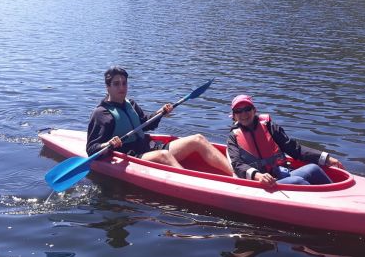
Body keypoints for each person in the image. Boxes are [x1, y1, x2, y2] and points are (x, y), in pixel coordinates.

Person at [86, 66, 233, 175]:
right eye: (116, 84)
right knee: (164, 155)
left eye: (124, 83)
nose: (122, 87)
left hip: (148, 146)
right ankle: (196, 184)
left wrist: (160, 113)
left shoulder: (130, 103)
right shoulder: (101, 114)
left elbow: (145, 123)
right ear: (107, 87)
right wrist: (109, 144)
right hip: (131, 155)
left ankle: (236, 175)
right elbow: (91, 149)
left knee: (198, 139)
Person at [226, 94, 342, 186]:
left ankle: (336, 199)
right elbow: (237, 165)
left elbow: (294, 149)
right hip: (260, 183)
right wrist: (258, 176)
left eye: (247, 109)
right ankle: (321, 208)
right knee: (297, 181)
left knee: (314, 169)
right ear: (234, 116)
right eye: (238, 111)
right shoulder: (233, 137)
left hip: (280, 174)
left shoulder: (269, 127)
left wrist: (326, 158)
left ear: (254, 110)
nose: (243, 114)